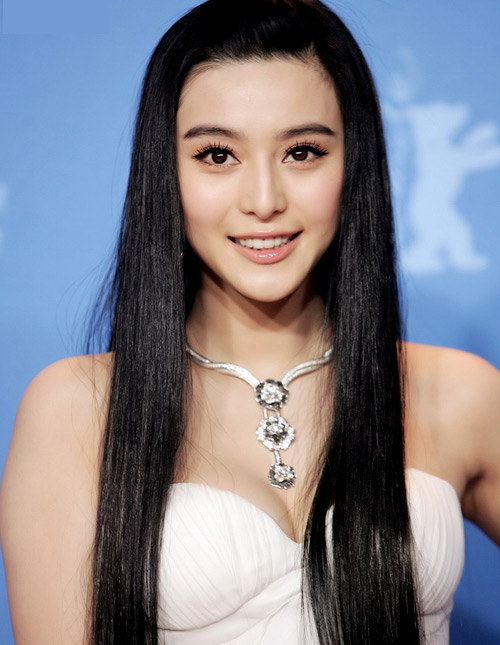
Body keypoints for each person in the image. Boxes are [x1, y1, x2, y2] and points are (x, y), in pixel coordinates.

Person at [1, 0, 499, 643]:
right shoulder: (79, 408)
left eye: (302, 152)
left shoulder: (455, 393)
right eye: (217, 155)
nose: (264, 200)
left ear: (353, 162)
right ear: (165, 172)